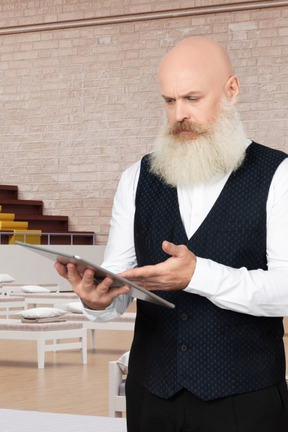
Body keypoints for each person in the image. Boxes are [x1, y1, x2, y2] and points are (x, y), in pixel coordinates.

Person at [55, 37, 288, 431]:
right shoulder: (135, 179)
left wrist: (198, 275)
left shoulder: (279, 175)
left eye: (193, 98)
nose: (179, 114)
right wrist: (96, 301)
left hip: (246, 400)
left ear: (231, 90)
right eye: (169, 101)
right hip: (151, 397)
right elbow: (118, 278)